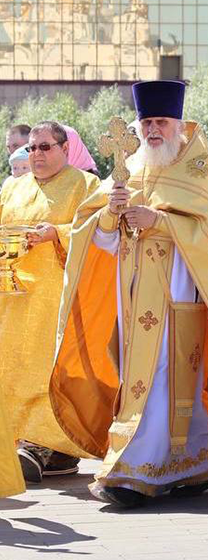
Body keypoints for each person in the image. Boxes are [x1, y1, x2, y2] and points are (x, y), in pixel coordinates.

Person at [50, 81, 208, 509]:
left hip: (178, 298)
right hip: (133, 297)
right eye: (146, 122)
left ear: (177, 122)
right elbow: (99, 236)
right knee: (148, 375)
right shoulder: (132, 165)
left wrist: (159, 221)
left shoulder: (195, 168)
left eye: (161, 121)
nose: (153, 129)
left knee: (163, 377)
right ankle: (192, 464)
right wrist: (111, 213)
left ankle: (132, 469)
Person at [0, 121, 100, 484]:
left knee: (47, 370)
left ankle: (41, 445)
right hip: (13, 297)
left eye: (45, 147)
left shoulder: (85, 185)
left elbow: (98, 231)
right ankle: (14, 443)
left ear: (64, 147)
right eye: (31, 149)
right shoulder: (13, 187)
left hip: (59, 297)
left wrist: (54, 234)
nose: (37, 154)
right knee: (12, 367)